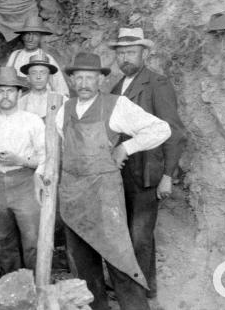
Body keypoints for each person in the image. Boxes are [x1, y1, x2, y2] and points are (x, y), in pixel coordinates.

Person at [53, 52, 171, 310]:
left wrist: (125, 149)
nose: (84, 83)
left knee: (120, 259)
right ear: (71, 80)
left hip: (104, 195)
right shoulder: (63, 109)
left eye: (90, 78)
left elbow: (161, 129)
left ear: (100, 81)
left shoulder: (116, 105)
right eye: (78, 78)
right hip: (73, 195)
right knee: (83, 264)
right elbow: (57, 150)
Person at [108, 27, 187, 300]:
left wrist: (168, 174)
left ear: (145, 54)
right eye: (121, 54)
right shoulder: (116, 87)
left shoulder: (157, 83)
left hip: (147, 170)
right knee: (128, 232)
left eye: (131, 52)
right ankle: (144, 284)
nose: (125, 58)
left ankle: (138, 294)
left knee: (140, 234)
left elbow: (173, 131)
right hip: (121, 171)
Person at [0, 67, 45, 272]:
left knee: (32, 237)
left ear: (19, 93)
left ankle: (36, 284)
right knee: (2, 238)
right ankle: (11, 285)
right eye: (1, 91)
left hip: (25, 181)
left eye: (10, 91)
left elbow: (45, 158)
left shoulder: (32, 121)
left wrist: (20, 160)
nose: (5, 96)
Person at [6, 16, 69, 97]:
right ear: (22, 36)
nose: (30, 39)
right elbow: (6, 81)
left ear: (40, 37)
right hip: (18, 103)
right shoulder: (15, 55)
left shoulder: (47, 59)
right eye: (27, 34)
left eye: (35, 35)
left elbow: (61, 87)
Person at [17, 52, 68, 120]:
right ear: (28, 78)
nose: (38, 77)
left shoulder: (62, 100)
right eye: (34, 73)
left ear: (49, 77)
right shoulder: (20, 103)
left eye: (43, 72)